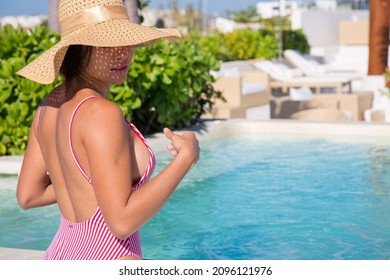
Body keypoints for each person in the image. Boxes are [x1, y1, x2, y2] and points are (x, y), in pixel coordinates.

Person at [16, 0, 200, 260]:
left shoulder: (49, 107)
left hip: (60, 256)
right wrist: (185, 159)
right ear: (77, 48)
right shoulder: (102, 114)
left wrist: (91, 183)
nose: (122, 52)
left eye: (125, 39)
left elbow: (28, 196)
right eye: (106, 43)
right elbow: (122, 222)